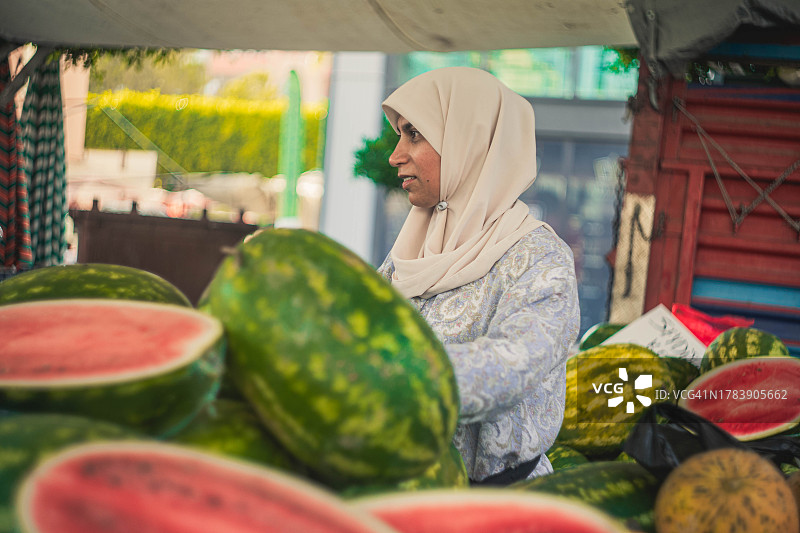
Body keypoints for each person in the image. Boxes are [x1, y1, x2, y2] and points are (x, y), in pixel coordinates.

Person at [377, 67, 580, 484]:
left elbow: (512, 366)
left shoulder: (539, 257)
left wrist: (382, 372)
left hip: (499, 501)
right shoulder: (411, 246)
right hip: (396, 488)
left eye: (414, 134)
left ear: (469, 142)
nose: (395, 155)